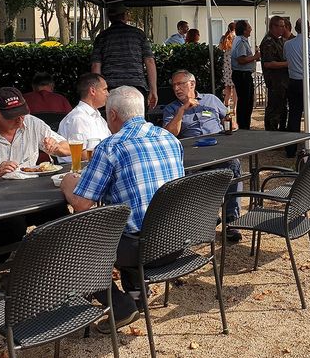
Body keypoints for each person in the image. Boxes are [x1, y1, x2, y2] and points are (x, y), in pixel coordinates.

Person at [60, 86, 185, 332]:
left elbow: (82, 204)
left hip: (142, 249)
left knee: (75, 241)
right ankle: (137, 293)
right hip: (177, 240)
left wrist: (68, 186)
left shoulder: (110, 147)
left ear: (113, 115)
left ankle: (120, 306)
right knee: (129, 217)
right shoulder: (169, 137)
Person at [0, 87, 71, 276]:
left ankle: (48, 269)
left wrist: (58, 148)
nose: (19, 121)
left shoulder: (33, 123)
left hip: (30, 193)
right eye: (12, 116)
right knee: (14, 225)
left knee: (59, 213)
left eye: (22, 115)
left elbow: (67, 147)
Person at [162, 70, 242, 241]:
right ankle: (204, 219)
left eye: (180, 84)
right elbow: (170, 134)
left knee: (234, 165)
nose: (176, 88)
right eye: (174, 85)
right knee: (188, 176)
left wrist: (231, 123)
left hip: (218, 150)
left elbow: (230, 120)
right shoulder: (172, 108)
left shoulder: (211, 100)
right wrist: (182, 110)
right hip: (193, 156)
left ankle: (231, 220)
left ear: (192, 84)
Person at [91, 4, 158, 110]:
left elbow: (95, 66)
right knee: (137, 123)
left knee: (112, 123)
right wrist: (153, 90)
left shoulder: (102, 36)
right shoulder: (139, 34)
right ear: (124, 16)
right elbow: (149, 61)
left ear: (109, 17)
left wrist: (98, 91)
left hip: (111, 88)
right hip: (137, 87)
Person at [284, 20, 310, 158]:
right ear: (309, 28)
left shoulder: (288, 44)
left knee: (294, 115)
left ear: (296, 29)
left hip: (294, 81)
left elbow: (286, 59)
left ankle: (291, 149)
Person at [58, 73, 111, 162]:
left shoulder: (98, 117)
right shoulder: (78, 118)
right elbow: (82, 155)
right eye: (105, 89)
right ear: (92, 91)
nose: (107, 94)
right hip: (77, 172)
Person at [260, 16, 289, 131]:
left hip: (283, 81)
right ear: (273, 26)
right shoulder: (269, 42)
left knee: (282, 108)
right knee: (274, 109)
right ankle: (271, 133)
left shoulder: (280, 40)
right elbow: (268, 63)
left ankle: (281, 130)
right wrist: (287, 64)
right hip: (275, 81)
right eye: (281, 26)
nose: (283, 28)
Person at [230, 20, 260, 130]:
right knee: (245, 102)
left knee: (246, 101)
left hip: (242, 73)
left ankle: (244, 124)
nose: (251, 29)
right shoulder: (241, 41)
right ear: (244, 30)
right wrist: (255, 57)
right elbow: (241, 59)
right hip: (242, 74)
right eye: (249, 27)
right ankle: (244, 126)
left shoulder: (241, 40)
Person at [219, 22, 237, 110]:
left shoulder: (223, 38)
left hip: (226, 65)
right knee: (235, 89)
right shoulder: (236, 38)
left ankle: (226, 107)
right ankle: (235, 108)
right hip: (234, 65)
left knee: (227, 88)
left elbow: (220, 49)